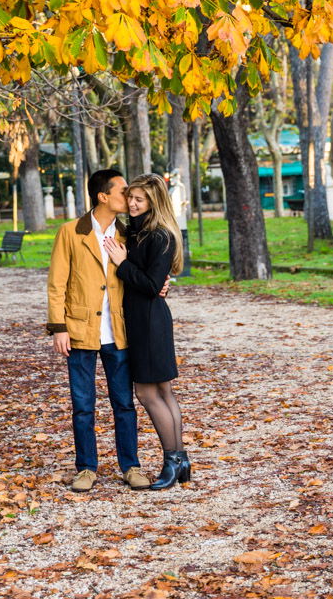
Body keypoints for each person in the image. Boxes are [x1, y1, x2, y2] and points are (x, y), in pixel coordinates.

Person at [46, 168, 151, 492]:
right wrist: (59, 327)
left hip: (118, 331)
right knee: (83, 405)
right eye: (122, 191)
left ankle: (130, 466)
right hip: (80, 331)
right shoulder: (70, 232)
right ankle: (86, 468)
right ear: (103, 196)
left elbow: (143, 273)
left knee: (123, 403)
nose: (128, 197)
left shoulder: (128, 234)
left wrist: (161, 286)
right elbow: (56, 283)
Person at [104, 173, 190, 491]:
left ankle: (172, 460)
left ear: (154, 202)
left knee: (147, 393)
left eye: (140, 199)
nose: (132, 203)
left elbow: (153, 285)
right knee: (164, 392)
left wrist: (122, 263)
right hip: (144, 318)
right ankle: (180, 459)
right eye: (131, 198)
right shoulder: (138, 232)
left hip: (149, 321)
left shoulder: (160, 236)